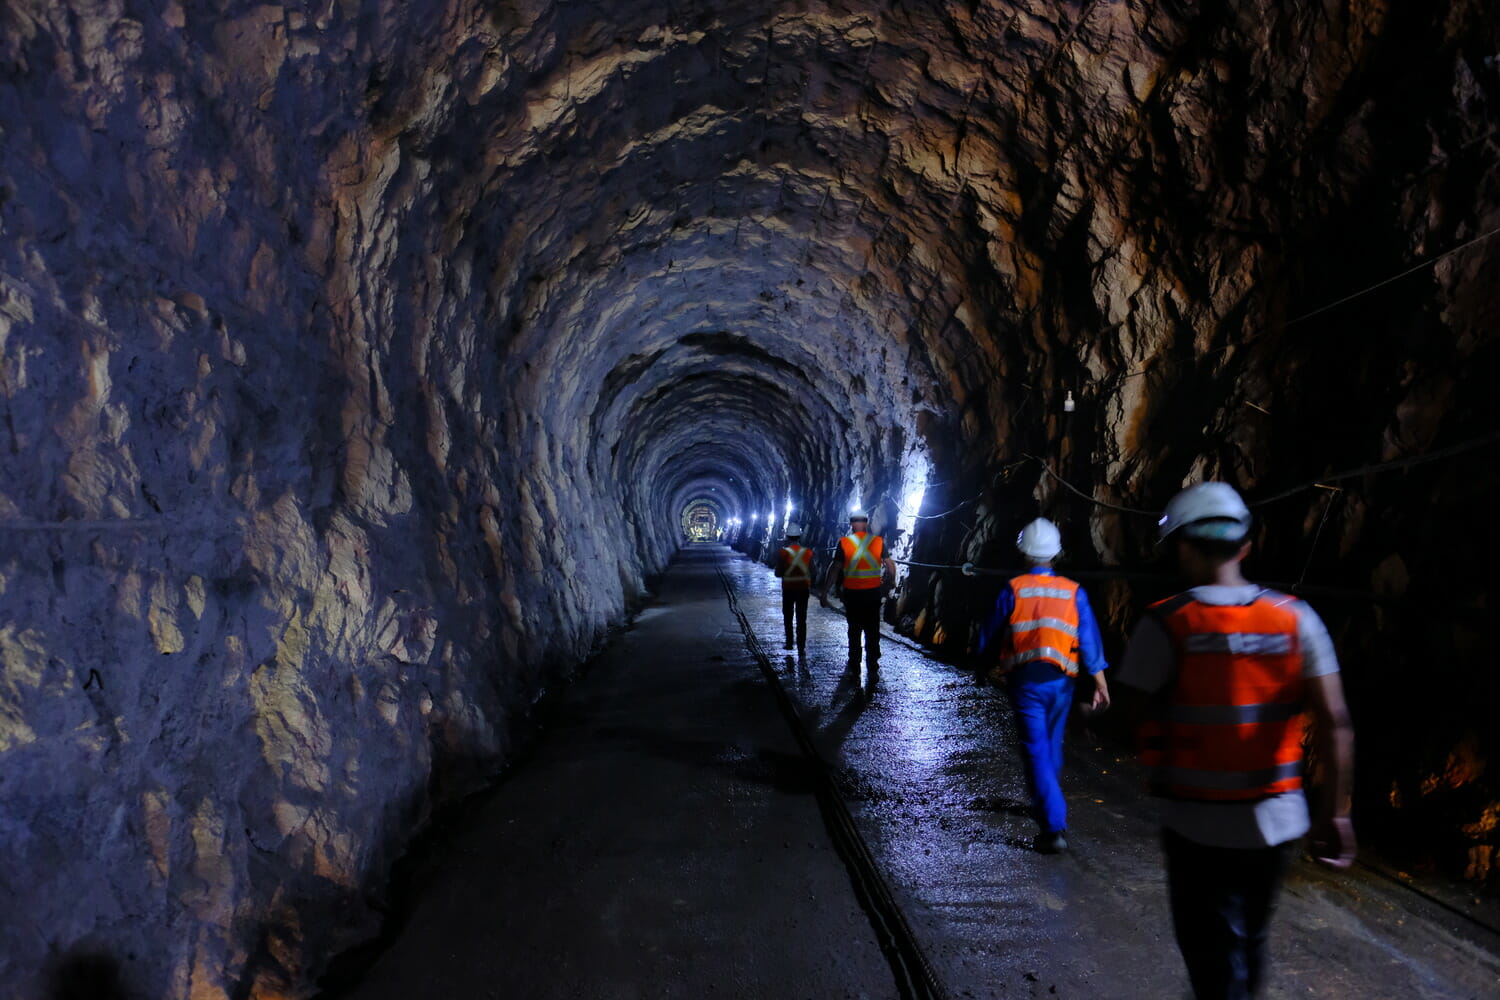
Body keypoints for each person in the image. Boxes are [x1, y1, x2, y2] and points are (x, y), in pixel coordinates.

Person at [1116, 482, 1356, 1000]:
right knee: (1247, 944)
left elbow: (1126, 713)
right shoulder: (1296, 618)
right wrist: (1335, 813)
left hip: (1196, 824)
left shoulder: (1167, 623)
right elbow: (1335, 721)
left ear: (1182, 545)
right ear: (1244, 545)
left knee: (1214, 963)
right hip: (1276, 823)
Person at [977, 517, 1110, 854]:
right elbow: (1090, 641)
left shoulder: (1014, 588)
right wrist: (1100, 683)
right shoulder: (1073, 591)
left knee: (1036, 751)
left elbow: (989, 632)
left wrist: (979, 665)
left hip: (1026, 684)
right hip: (1063, 683)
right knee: (1050, 745)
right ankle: (1044, 801)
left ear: (1023, 552)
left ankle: (1053, 827)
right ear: (1056, 553)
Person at [819, 513, 896, 673]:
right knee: (872, 629)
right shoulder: (878, 542)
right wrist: (890, 581)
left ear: (851, 524)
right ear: (866, 523)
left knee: (854, 629)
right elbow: (890, 565)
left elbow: (834, 568)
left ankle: (855, 661)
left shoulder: (845, 543)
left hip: (853, 595)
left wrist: (824, 592)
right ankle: (872, 662)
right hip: (872, 594)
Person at [773, 524, 815, 657]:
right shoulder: (807, 552)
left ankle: (790, 642)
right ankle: (801, 646)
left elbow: (778, 573)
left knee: (788, 616)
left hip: (788, 590)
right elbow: (814, 571)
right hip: (803, 589)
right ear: (800, 536)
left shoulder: (783, 553)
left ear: (787, 536)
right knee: (801, 618)